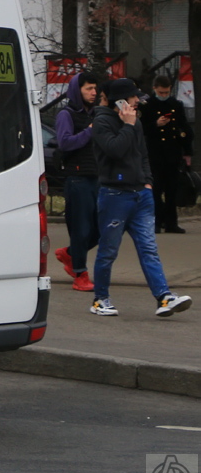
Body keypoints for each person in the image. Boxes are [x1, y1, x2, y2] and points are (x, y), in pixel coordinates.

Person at [89, 78, 190, 317]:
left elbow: (142, 153)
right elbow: (115, 150)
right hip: (115, 195)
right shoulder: (102, 121)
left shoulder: (136, 122)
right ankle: (99, 299)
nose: (137, 101)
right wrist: (127, 125)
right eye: (134, 98)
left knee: (149, 248)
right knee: (108, 250)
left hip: (140, 195)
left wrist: (147, 182)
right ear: (121, 100)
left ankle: (164, 297)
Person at [53, 71, 100, 291]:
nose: (93, 92)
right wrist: (89, 132)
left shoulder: (96, 114)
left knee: (101, 228)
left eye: (95, 88)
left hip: (96, 177)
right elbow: (64, 143)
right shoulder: (67, 114)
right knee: (81, 229)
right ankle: (80, 275)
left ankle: (71, 254)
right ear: (77, 90)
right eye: (88, 88)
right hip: (77, 178)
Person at [141, 74, 193, 234]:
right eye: (161, 92)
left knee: (172, 189)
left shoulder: (175, 105)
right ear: (155, 89)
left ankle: (171, 222)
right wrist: (156, 124)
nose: (164, 95)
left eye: (166, 92)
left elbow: (184, 128)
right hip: (155, 152)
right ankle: (156, 221)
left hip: (172, 151)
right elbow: (141, 129)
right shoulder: (147, 105)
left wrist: (187, 152)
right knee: (155, 189)